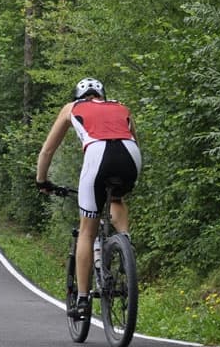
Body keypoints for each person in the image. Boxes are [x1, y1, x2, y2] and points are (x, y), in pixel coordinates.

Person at [35, 77, 141, 320]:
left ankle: (83, 299)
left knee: (87, 231)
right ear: (102, 95)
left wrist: (41, 180)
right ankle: (125, 247)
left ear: (77, 96)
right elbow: (133, 137)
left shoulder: (71, 108)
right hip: (131, 155)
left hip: (97, 154)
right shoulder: (120, 106)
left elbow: (48, 150)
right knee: (116, 199)